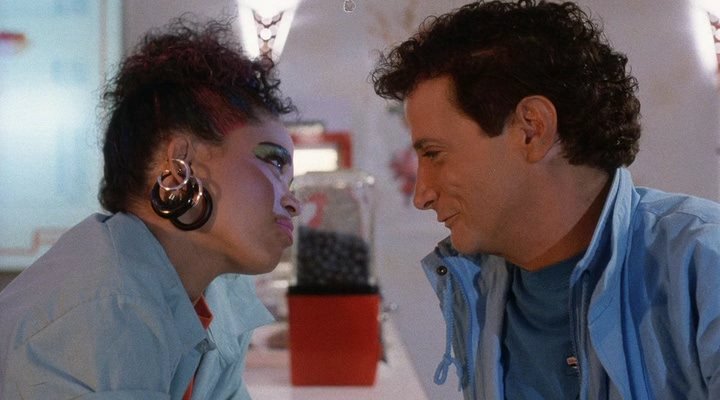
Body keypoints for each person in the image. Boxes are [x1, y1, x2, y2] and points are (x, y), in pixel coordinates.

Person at [372, 1, 720, 399]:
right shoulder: (478, 285)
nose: (422, 195)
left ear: (532, 129)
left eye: (434, 154)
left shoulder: (704, 263)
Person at [0, 17, 300, 399]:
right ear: (180, 163)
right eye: (273, 162)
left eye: (290, 182)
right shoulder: (110, 308)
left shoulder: (219, 300)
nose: (292, 202)